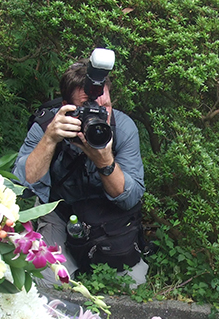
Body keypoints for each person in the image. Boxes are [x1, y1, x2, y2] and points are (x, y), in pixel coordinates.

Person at [13, 58, 148, 287]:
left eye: (104, 107)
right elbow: (21, 186)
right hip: (61, 212)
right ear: (67, 106)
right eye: (87, 109)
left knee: (131, 285)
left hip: (108, 216)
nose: (99, 117)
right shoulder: (48, 125)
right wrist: (50, 140)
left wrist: (105, 161)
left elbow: (131, 198)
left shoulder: (123, 128)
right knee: (47, 283)